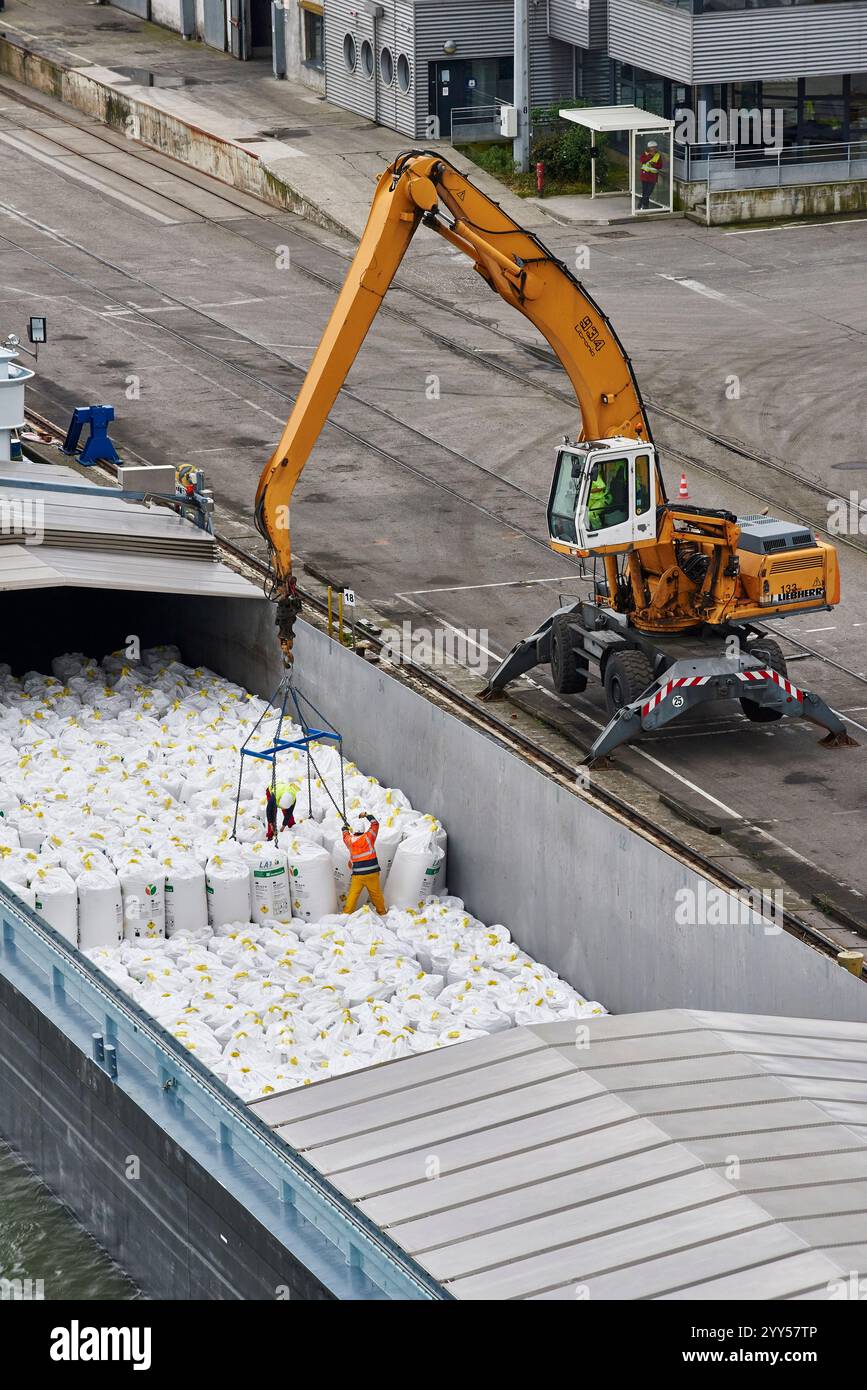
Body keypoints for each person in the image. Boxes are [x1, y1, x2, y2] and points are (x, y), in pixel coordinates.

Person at [342, 813, 386, 914]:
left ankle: (346, 914)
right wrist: (366, 815)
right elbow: (375, 824)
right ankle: (382, 912)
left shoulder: (350, 841)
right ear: (363, 829)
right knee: (376, 895)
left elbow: (345, 836)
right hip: (372, 874)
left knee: (353, 895)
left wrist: (344, 829)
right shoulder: (368, 837)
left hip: (358, 876)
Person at [638, 140, 663, 211]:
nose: (653, 149)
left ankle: (641, 202)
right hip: (644, 176)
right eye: (652, 147)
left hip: (653, 177)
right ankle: (645, 205)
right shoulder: (645, 154)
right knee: (645, 191)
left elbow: (660, 166)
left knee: (649, 192)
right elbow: (642, 160)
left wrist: (653, 164)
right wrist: (650, 156)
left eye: (654, 147)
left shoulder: (658, 155)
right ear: (648, 148)